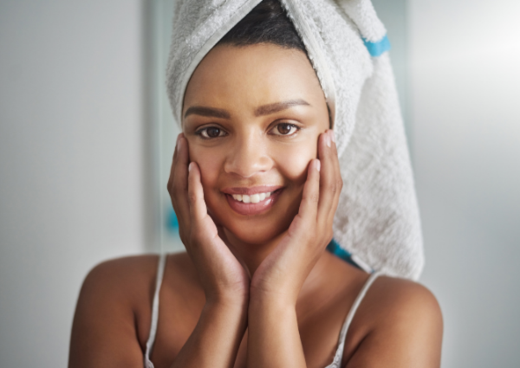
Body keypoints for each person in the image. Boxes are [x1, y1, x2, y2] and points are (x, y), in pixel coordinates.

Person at [69, 1, 443, 367]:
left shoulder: (396, 315)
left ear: (334, 137)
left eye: (284, 127)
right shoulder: (118, 295)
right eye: (212, 130)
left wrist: (274, 299)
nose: (246, 165)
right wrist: (225, 301)